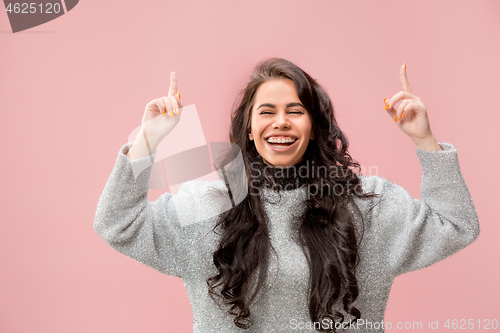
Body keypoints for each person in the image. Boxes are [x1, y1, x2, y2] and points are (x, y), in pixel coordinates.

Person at [94, 58, 480, 332]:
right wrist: (146, 142)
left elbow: (456, 224)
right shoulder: (206, 203)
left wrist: (424, 141)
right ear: (248, 129)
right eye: (266, 112)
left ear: (313, 127)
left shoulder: (367, 206)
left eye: (295, 110)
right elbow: (117, 223)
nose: (280, 121)